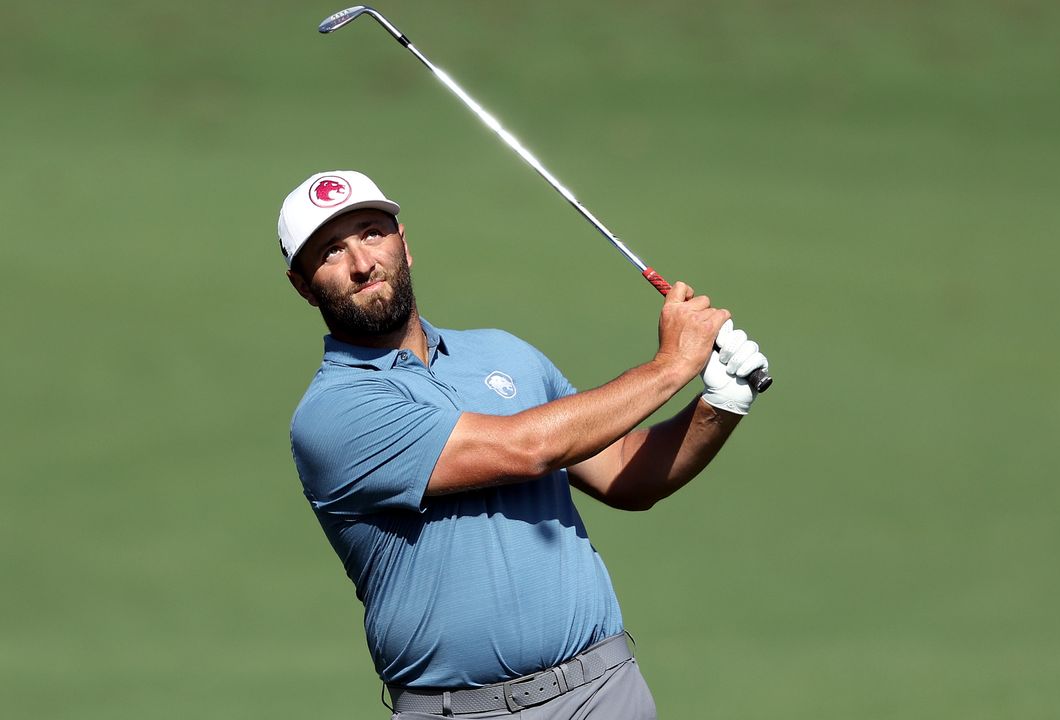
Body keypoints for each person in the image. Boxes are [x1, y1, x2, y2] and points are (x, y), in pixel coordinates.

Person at [278, 170, 768, 719]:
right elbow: (523, 449)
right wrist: (673, 365)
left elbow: (625, 475)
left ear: (404, 244)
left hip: (603, 690)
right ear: (302, 284)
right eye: (330, 252)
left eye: (372, 233)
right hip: (460, 711)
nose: (362, 263)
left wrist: (720, 405)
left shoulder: (504, 354)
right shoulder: (334, 412)